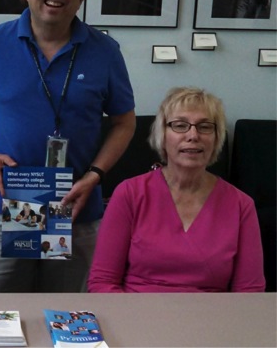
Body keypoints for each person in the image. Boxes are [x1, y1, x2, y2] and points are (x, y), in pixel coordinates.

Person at [0, 0, 136, 293]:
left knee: (68, 313)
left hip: (75, 205)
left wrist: (95, 175)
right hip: (8, 202)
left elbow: (124, 122)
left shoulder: (105, 52)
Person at [88, 87, 266, 293]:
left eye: (205, 127)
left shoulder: (241, 205)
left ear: (217, 138)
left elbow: (249, 291)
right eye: (180, 125)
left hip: (211, 313)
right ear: (162, 135)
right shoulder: (129, 193)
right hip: (136, 310)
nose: (193, 135)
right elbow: (102, 282)